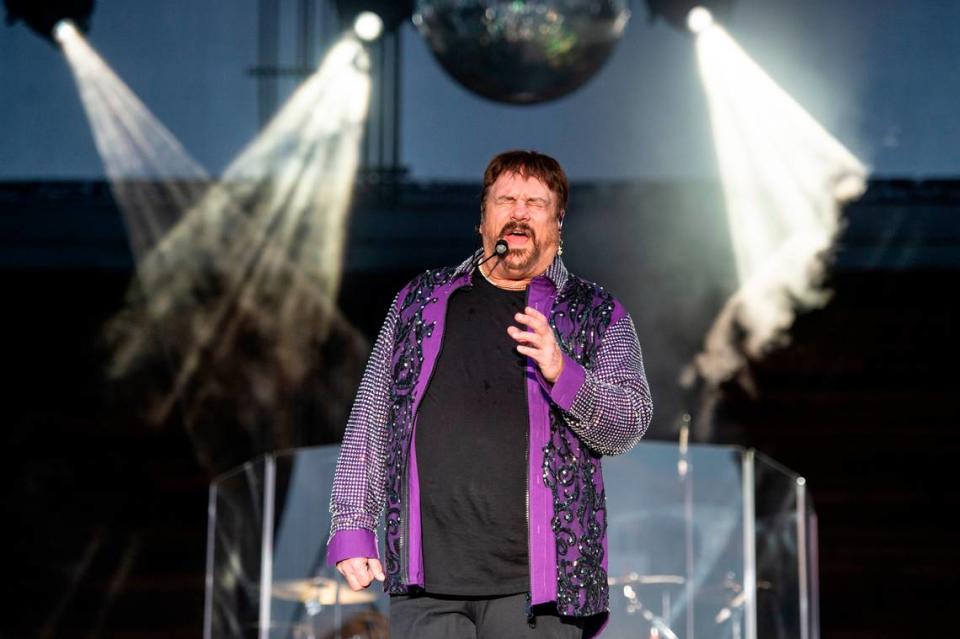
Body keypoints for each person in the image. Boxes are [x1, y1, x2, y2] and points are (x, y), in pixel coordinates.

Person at [326, 150, 653, 638]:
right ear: (483, 218)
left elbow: (629, 422)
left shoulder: (596, 312)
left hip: (539, 589)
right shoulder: (420, 300)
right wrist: (352, 525)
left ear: (558, 223)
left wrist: (563, 370)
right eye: (507, 199)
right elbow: (372, 415)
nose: (519, 212)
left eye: (536, 203)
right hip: (426, 582)